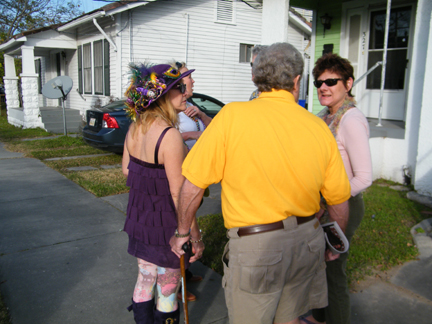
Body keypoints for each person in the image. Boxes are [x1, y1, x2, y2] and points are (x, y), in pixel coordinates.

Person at [170, 42, 351, 324]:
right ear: (296, 81)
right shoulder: (318, 127)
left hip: (257, 250)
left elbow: (192, 185)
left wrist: (183, 233)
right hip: (306, 242)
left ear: (256, 78)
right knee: (290, 318)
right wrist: (334, 242)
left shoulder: (231, 117)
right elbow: (338, 201)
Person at [122, 63, 204, 324]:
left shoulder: (136, 127)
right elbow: (180, 193)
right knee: (168, 286)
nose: (186, 93)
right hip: (168, 223)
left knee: (145, 279)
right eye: (179, 88)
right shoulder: (170, 136)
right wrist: (195, 235)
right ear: (162, 95)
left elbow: (126, 169)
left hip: (140, 218)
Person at [301, 54, 373, 324]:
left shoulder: (351, 119)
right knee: (318, 268)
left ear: (349, 83)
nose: (323, 87)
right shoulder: (323, 117)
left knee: (333, 270)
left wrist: (330, 201)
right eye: (319, 82)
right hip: (323, 205)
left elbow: (364, 177)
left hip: (344, 205)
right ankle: (319, 318)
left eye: (331, 81)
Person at [177, 62, 213, 150]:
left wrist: (202, 115)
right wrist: (190, 135)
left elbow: (215, 127)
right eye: (189, 77)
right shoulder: (172, 109)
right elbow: (163, 140)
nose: (193, 81)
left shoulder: (189, 104)